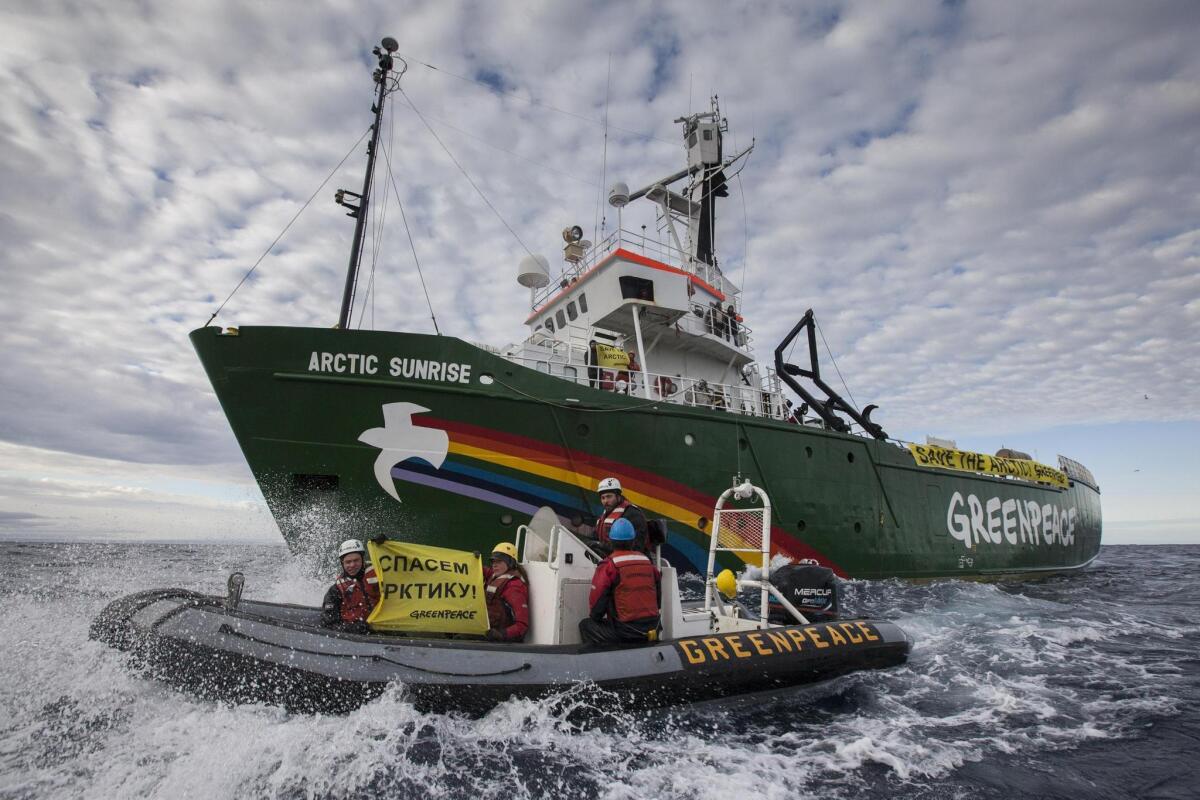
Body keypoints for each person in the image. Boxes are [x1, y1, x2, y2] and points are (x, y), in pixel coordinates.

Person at [579, 518, 662, 645]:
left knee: (586, 625)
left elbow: (597, 605)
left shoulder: (609, 565)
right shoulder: (647, 562)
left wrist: (596, 617)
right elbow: (658, 598)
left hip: (627, 631)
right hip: (654, 627)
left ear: (611, 541)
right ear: (633, 541)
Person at [321, 538, 380, 633]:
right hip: (358, 635)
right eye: (348, 562)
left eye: (356, 560)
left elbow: (399, 570)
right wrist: (353, 628)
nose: (352, 565)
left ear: (362, 560)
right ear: (342, 563)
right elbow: (329, 624)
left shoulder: (380, 573)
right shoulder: (335, 590)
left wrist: (386, 545)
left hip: (384, 628)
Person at [483, 542, 530, 642]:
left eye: (499, 561)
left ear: (510, 563)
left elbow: (522, 625)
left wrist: (501, 634)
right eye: (493, 561)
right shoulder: (495, 575)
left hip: (501, 640)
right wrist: (473, 560)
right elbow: (483, 571)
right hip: (487, 631)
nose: (494, 565)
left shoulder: (514, 587)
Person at [591, 477, 649, 553]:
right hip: (608, 558)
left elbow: (636, 546)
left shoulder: (633, 514)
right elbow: (595, 537)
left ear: (618, 496)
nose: (605, 501)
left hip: (630, 560)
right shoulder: (606, 514)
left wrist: (602, 547)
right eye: (603, 498)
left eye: (609, 496)